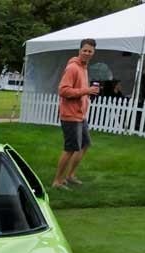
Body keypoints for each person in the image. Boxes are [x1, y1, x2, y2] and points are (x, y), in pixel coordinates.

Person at [51, 38, 100, 189]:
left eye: (90, 51)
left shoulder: (84, 67)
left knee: (85, 144)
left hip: (80, 114)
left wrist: (87, 94)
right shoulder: (73, 68)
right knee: (70, 148)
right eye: (84, 50)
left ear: (93, 52)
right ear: (79, 50)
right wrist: (87, 91)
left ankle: (70, 175)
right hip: (70, 115)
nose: (87, 53)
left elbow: (78, 89)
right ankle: (57, 181)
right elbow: (63, 90)